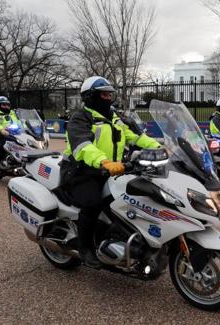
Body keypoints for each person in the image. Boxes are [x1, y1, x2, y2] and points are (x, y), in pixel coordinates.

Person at [60, 76, 160, 268]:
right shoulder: (80, 118)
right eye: (103, 94)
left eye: (109, 94)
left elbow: (138, 138)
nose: (107, 97)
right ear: (90, 96)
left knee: (132, 199)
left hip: (111, 172)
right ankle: (85, 248)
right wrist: (104, 161)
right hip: (81, 172)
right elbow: (83, 146)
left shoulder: (116, 119)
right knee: (93, 203)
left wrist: (160, 148)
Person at [0, 96, 21, 165]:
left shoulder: (13, 113)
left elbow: (20, 122)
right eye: (4, 104)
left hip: (14, 133)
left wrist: (27, 128)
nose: (6, 106)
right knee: (3, 145)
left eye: (7, 104)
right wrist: (1, 129)